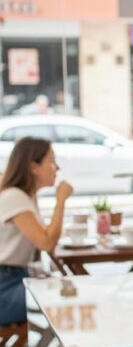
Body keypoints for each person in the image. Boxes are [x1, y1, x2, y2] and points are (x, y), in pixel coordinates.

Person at [0, 137, 73, 325]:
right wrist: (61, 200)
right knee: (68, 296)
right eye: (51, 161)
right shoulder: (14, 197)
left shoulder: (24, 196)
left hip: (15, 278)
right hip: (5, 286)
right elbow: (47, 243)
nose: (57, 168)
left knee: (69, 292)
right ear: (33, 167)